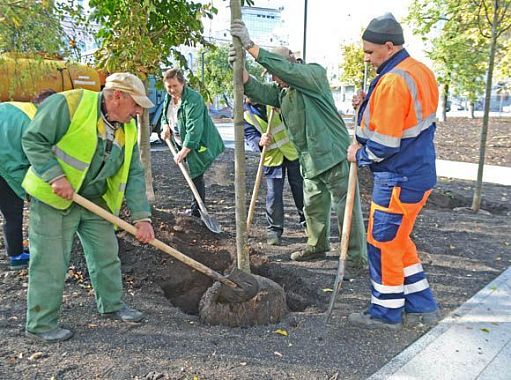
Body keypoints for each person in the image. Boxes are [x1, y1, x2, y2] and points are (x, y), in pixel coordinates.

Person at [22, 72, 156, 343]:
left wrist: (142, 217)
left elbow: (133, 173)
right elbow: (34, 139)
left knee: (107, 254)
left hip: (94, 201)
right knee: (50, 261)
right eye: (136, 104)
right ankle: (41, 324)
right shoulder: (69, 104)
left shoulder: (127, 127)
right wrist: (54, 176)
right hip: (54, 198)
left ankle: (112, 305)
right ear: (117, 96)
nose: (139, 111)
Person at [230, 20, 367, 269]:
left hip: (334, 156)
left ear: (287, 65)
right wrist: (241, 70)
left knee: (346, 211)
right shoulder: (284, 92)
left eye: (275, 73)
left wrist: (250, 46)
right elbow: (259, 91)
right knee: (313, 207)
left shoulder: (313, 75)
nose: (274, 78)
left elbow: (288, 73)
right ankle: (317, 246)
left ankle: (356, 259)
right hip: (310, 161)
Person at [347, 13, 440, 329]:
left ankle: (385, 312)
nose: (366, 57)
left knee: (383, 241)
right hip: (419, 173)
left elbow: (384, 144)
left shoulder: (393, 81)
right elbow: (403, 121)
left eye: (371, 52)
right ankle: (420, 303)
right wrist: (365, 106)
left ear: (389, 46)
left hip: (398, 177)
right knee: (400, 239)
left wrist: (359, 154)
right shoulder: (419, 71)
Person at [0, 89, 56, 270]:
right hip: (4, 168)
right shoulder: (35, 121)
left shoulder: (11, 106)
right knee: (13, 212)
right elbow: (29, 160)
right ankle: (16, 256)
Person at [160, 68, 224, 218]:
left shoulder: (193, 99)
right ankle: (197, 209)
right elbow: (165, 116)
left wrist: (183, 151)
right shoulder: (168, 98)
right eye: (168, 86)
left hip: (199, 143)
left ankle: (197, 211)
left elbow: (194, 129)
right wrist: (165, 126)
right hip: (180, 141)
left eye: (175, 86)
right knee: (193, 175)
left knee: (196, 173)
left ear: (183, 83)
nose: (172, 90)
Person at [243, 98, 305, 245]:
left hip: (291, 152)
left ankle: (307, 223)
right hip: (272, 158)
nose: (250, 97)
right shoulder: (244, 114)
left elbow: (294, 116)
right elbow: (249, 135)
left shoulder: (274, 100)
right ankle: (274, 230)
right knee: (274, 195)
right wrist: (259, 141)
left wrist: (283, 111)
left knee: (300, 189)